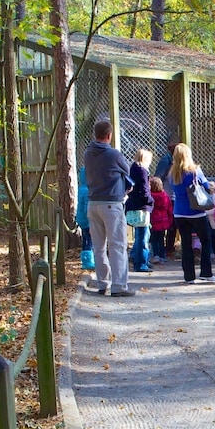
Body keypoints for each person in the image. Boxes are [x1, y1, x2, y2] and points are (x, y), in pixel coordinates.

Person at [84, 120, 135, 297]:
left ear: (94, 134)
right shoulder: (114, 154)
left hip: (93, 204)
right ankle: (119, 286)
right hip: (111, 204)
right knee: (117, 245)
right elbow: (127, 171)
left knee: (98, 247)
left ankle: (102, 283)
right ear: (109, 135)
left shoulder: (87, 154)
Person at [170, 143, 215, 283]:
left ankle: (189, 276)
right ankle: (206, 272)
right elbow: (206, 186)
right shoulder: (195, 171)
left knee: (186, 243)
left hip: (179, 212)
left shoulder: (172, 173)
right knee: (206, 241)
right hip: (196, 211)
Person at [125, 148, 155, 273]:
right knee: (143, 235)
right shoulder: (142, 171)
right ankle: (141, 262)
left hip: (133, 205)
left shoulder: (132, 169)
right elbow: (144, 190)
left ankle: (136, 257)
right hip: (142, 206)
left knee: (139, 234)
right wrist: (151, 201)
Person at [154, 142, 179, 262]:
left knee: (173, 225)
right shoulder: (166, 161)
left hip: (175, 196)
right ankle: (164, 248)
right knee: (168, 224)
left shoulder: (177, 161)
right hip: (168, 196)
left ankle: (169, 247)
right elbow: (158, 177)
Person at [148, 177, 174, 264]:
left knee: (154, 239)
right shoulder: (165, 196)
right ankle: (162, 255)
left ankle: (155, 255)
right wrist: (170, 220)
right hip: (163, 221)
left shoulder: (150, 196)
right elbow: (169, 209)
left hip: (154, 220)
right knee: (161, 239)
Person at [76, 166, 94, 271]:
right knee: (89, 241)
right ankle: (88, 261)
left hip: (81, 219)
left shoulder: (81, 189)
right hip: (87, 220)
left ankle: (86, 260)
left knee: (85, 240)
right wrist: (91, 220)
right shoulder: (88, 191)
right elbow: (87, 208)